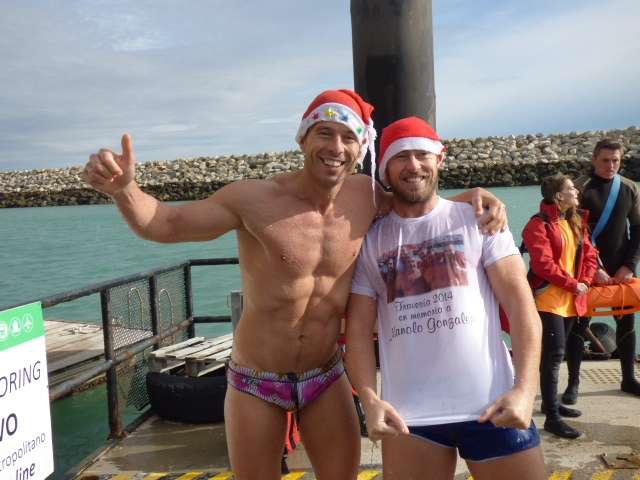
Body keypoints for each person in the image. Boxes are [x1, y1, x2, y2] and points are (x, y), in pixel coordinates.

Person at [82, 91, 506, 480]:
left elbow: (420, 204)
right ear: (303, 138)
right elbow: (167, 223)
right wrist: (125, 190)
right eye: (324, 133)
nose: (335, 147)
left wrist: (472, 198)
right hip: (256, 379)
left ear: (360, 149)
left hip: (325, 374)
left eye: (348, 137)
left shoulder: (367, 197)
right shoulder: (254, 199)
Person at [345, 116, 544, 480]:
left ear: (439, 159)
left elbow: (520, 306)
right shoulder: (370, 241)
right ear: (385, 169)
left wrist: (526, 390)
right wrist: (370, 400)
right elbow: (357, 332)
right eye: (400, 157)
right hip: (409, 418)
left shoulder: (479, 219)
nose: (413, 165)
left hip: (494, 404)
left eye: (422, 154)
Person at [522, 174, 598, 439]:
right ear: (558, 196)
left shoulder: (574, 221)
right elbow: (543, 264)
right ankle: (552, 418)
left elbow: (590, 255)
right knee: (553, 356)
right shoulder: (537, 225)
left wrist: (584, 281)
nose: (576, 191)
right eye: (571, 188)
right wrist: (572, 284)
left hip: (570, 300)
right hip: (548, 300)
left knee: (557, 354)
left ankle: (549, 404)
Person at [563, 139, 640, 402]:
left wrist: (629, 265)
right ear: (594, 159)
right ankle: (573, 384)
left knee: (626, 322)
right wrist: (593, 268)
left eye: (615, 160)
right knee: (579, 324)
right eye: (605, 160)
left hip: (621, 269)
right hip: (585, 270)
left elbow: (637, 229)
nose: (611, 165)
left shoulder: (629, 188)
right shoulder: (579, 188)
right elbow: (572, 232)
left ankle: (628, 378)